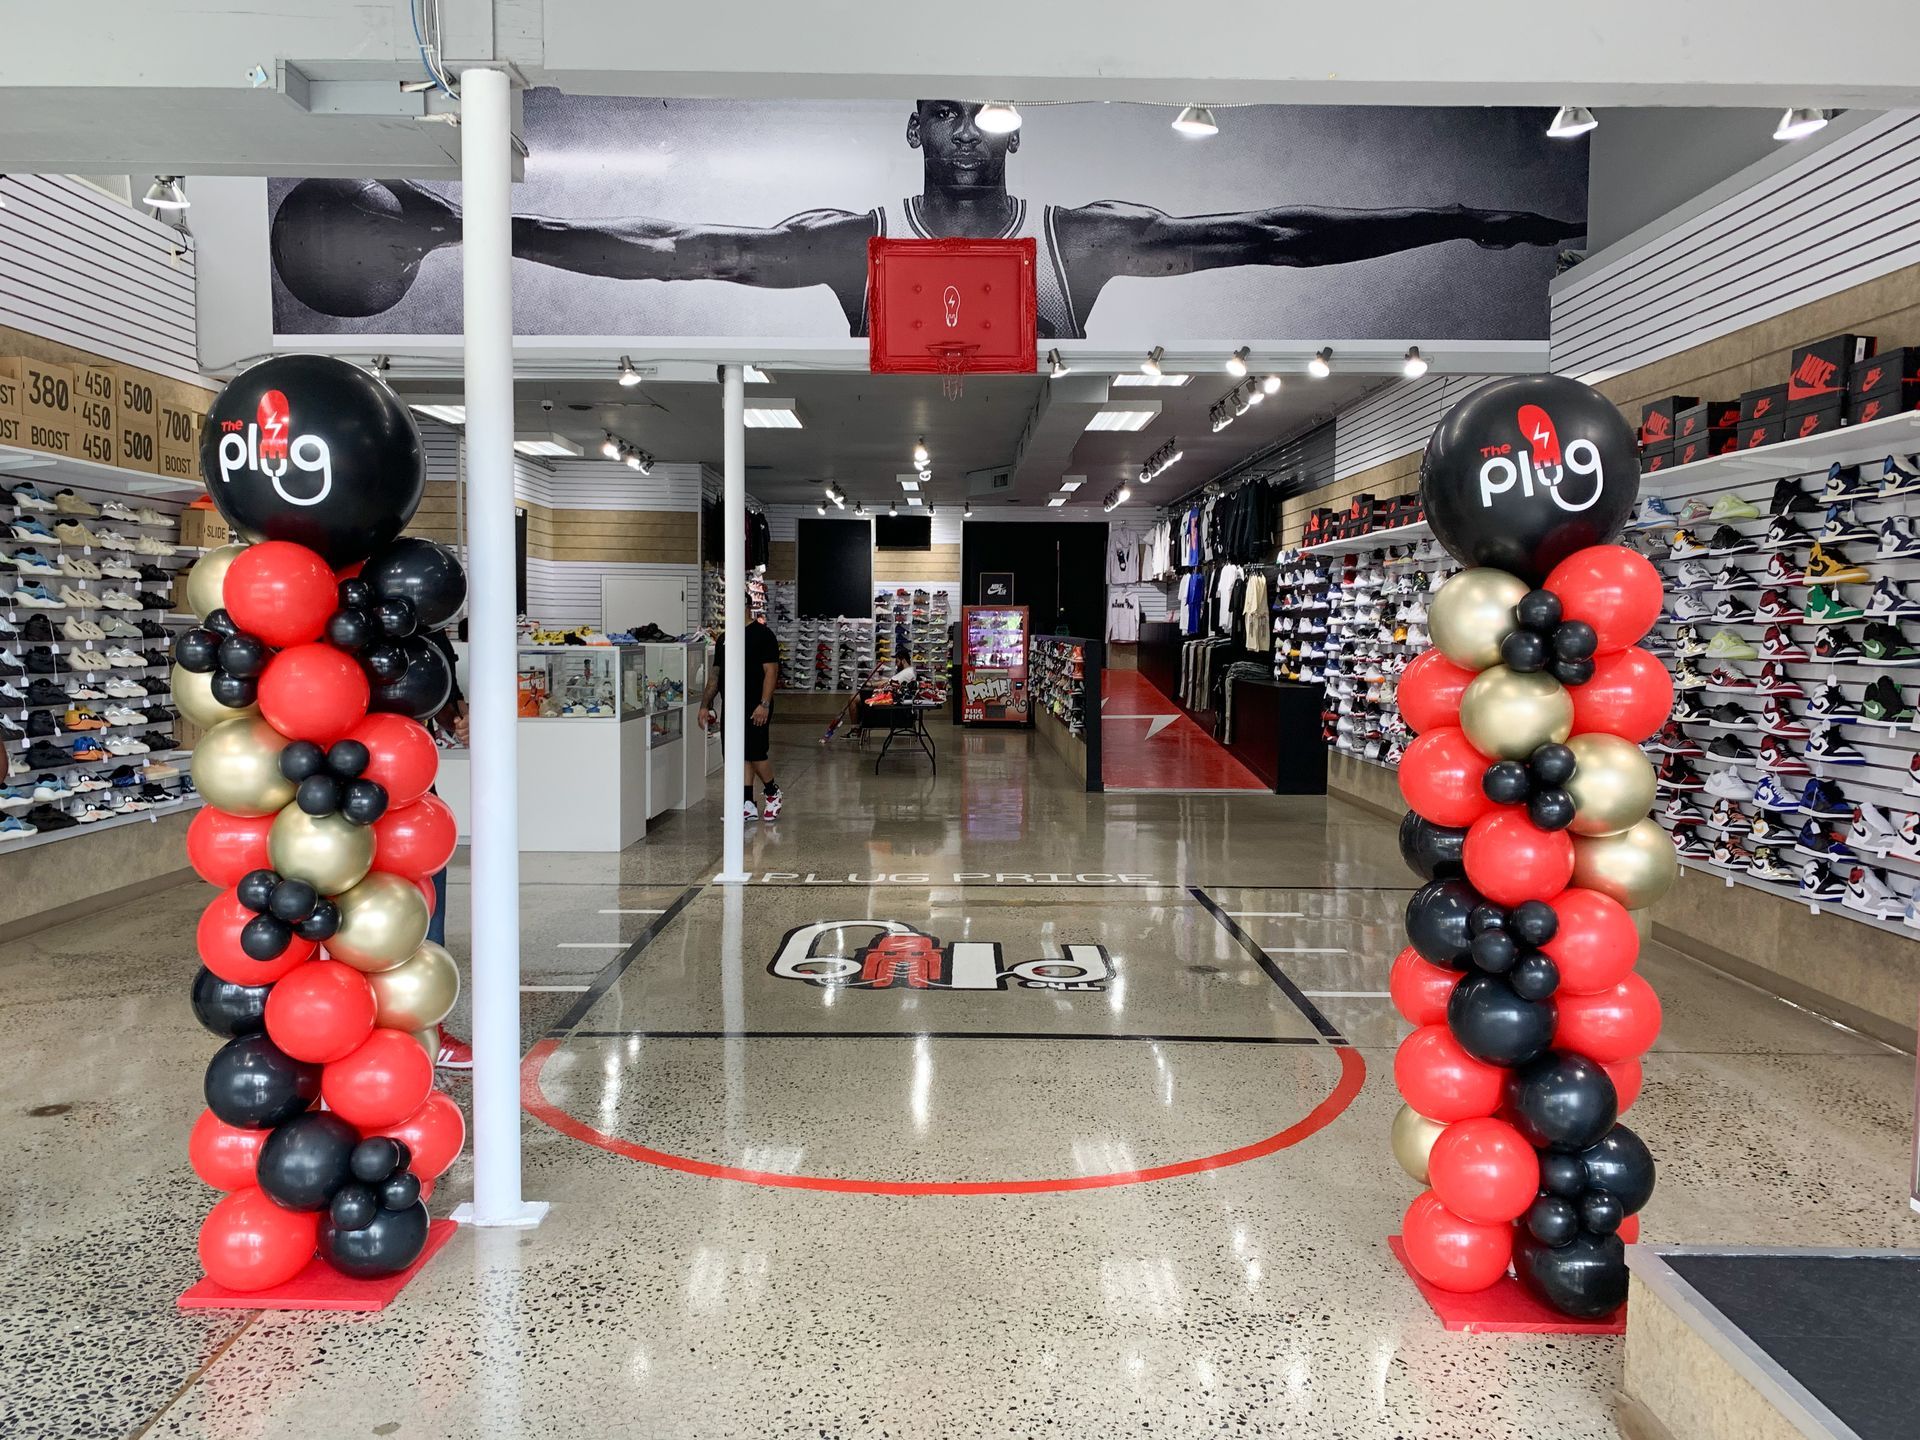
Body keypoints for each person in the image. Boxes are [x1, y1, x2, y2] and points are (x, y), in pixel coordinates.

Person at [272, 101, 1584, 337]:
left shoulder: (1093, 234)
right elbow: (680, 257)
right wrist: (466, 223)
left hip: (1035, 478)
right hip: (886, 466)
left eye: (988, 112)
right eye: (947, 111)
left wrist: (1456, 214)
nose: (971, 128)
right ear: (918, 127)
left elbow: (1281, 237)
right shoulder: (857, 235)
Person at [422, 625, 472, 1070]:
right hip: (326, 785)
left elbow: (446, 703)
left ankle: (428, 1029)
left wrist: (460, 717)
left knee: (426, 904)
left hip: (411, 789)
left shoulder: (428, 635)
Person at [698, 611, 782, 820]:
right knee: (738, 755)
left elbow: (771, 671)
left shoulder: (763, 635)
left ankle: (773, 792)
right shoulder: (725, 639)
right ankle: (747, 802)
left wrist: (764, 704)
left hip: (756, 705)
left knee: (755, 753)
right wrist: (704, 705)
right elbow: (715, 675)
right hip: (732, 706)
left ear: (745, 607)